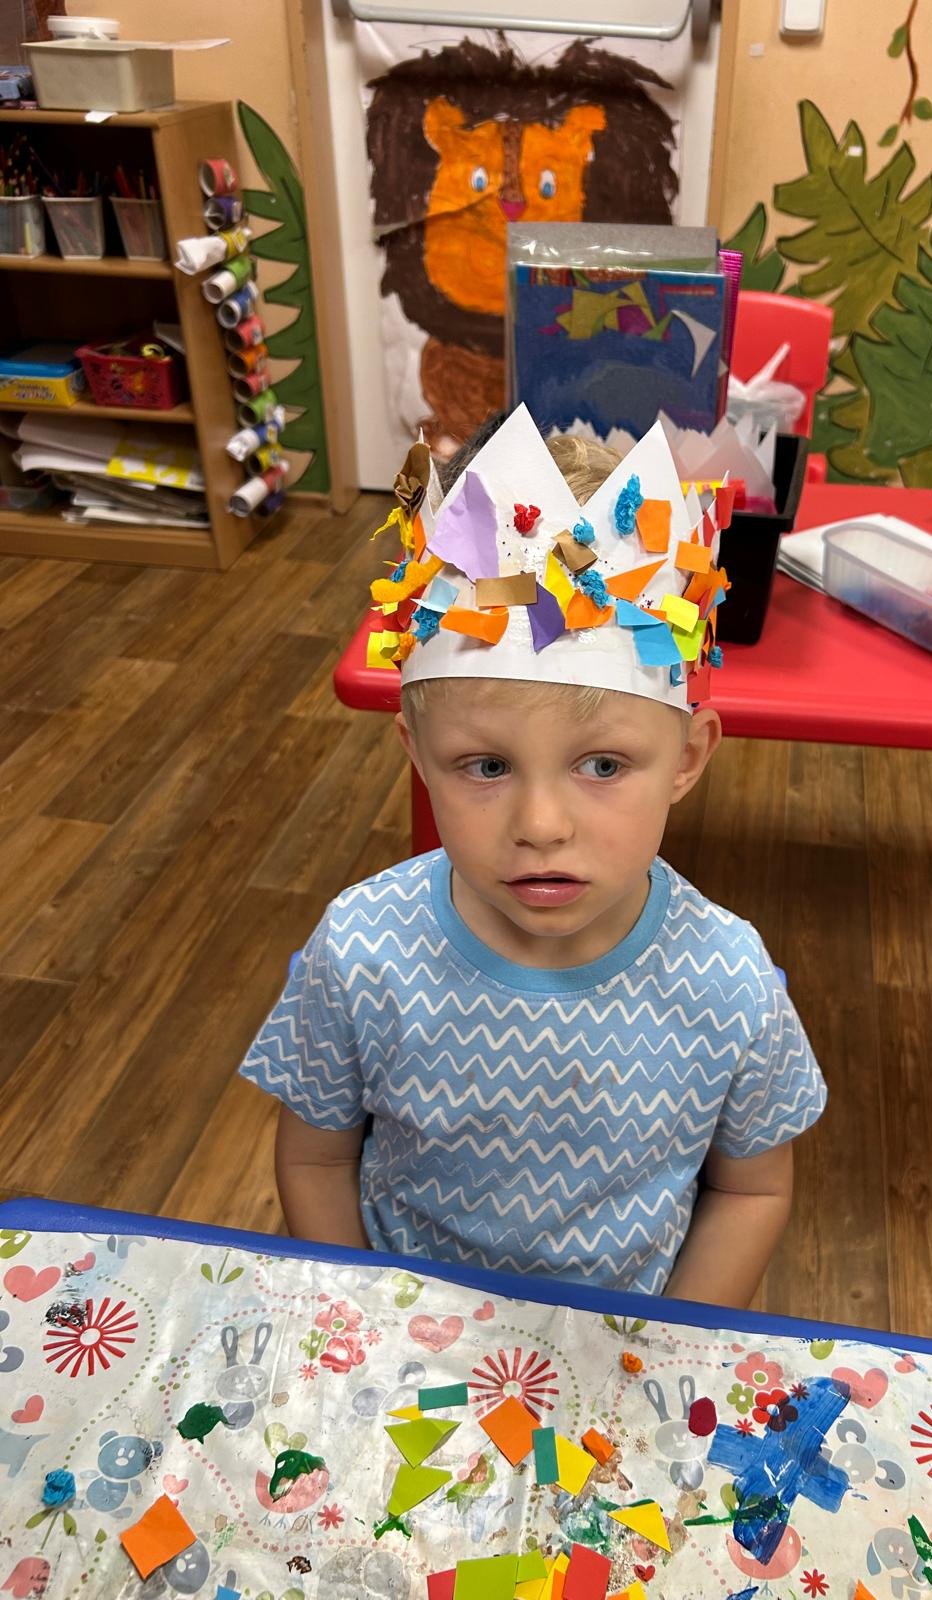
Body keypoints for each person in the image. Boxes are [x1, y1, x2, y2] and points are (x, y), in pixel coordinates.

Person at [239, 408, 825, 1308]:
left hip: (623, 1343)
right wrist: (367, 1317)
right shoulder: (361, 951)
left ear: (688, 757)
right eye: (486, 766)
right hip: (400, 1328)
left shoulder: (728, 983)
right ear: (417, 755)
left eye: (603, 766)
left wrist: (659, 1344)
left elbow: (751, 1191)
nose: (542, 825)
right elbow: (316, 1160)